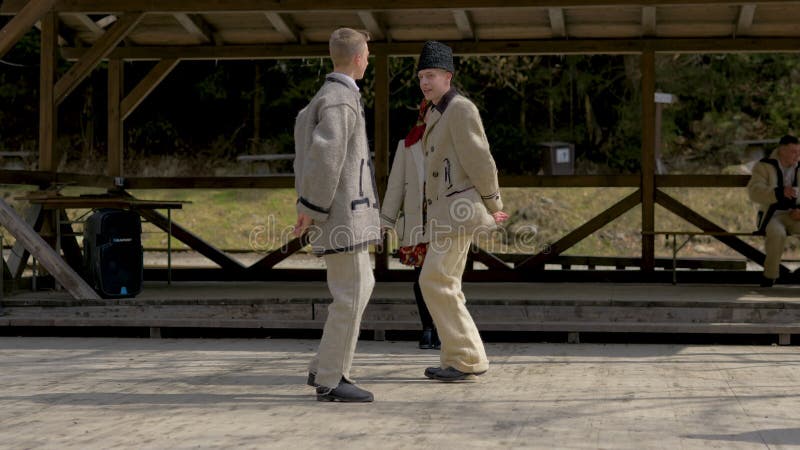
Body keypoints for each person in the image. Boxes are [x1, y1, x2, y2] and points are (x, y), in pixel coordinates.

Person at [293, 28, 380, 402]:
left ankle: (323, 366)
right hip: (343, 216)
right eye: (368, 54)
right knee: (351, 294)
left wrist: (309, 207)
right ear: (359, 58)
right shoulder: (340, 100)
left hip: (343, 213)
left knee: (359, 289)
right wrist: (310, 209)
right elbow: (324, 160)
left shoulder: (330, 96)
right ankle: (331, 378)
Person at [414, 41, 509, 382]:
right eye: (422, 76)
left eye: (432, 75)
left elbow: (480, 160)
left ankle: (468, 357)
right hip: (444, 214)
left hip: (459, 212)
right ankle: (458, 358)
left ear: (448, 77)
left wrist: (494, 204)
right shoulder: (436, 112)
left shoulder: (460, 109)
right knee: (445, 283)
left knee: (435, 281)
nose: (425, 82)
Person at [381, 99, 440, 350]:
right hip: (417, 224)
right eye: (431, 113)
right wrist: (385, 222)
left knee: (444, 278)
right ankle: (428, 328)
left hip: (445, 223)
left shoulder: (453, 142)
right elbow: (395, 187)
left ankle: (443, 328)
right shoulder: (406, 145)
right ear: (423, 114)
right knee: (421, 278)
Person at [747, 134, 800, 287]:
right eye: (793, 152)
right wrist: (779, 192)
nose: (798, 155)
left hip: (795, 215)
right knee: (777, 233)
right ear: (781, 151)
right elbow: (754, 192)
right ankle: (770, 276)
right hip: (772, 216)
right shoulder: (763, 166)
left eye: (799, 151)